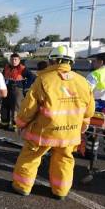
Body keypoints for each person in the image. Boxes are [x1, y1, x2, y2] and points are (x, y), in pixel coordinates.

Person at [12, 46, 95, 200]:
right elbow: (89, 112)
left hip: (43, 132)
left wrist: (20, 124)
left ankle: (22, 187)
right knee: (64, 159)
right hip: (70, 133)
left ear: (53, 60)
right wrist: (82, 127)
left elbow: (28, 109)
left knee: (30, 157)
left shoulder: (43, 80)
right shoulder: (83, 82)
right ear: (71, 62)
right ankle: (60, 191)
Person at [0, 53, 34, 131]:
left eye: (15, 60)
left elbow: (31, 77)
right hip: (6, 88)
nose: (13, 61)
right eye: (12, 59)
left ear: (19, 60)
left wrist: (26, 86)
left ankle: (15, 125)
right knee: (5, 106)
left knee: (16, 107)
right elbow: (2, 76)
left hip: (17, 89)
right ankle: (4, 124)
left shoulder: (22, 68)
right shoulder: (6, 67)